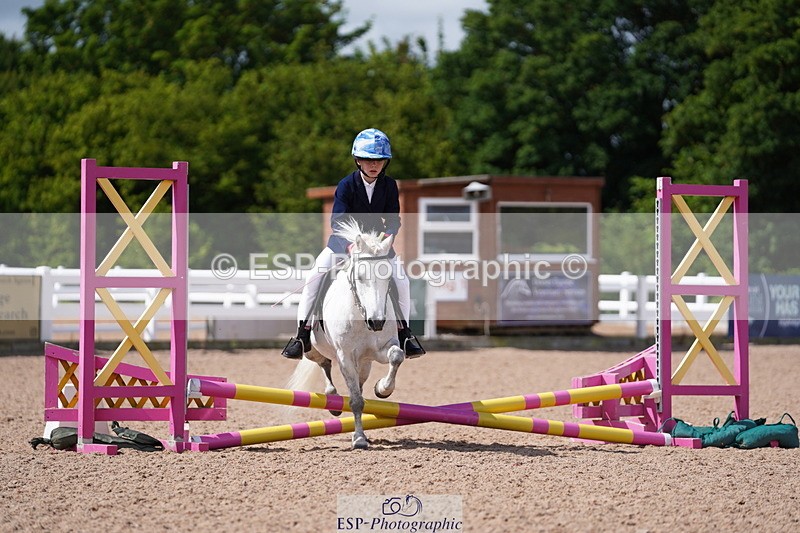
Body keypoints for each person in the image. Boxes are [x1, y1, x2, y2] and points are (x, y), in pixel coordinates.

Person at [281, 128, 426, 359]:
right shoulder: (346, 185)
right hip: (343, 245)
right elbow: (338, 222)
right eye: (368, 160)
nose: (373, 165)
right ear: (358, 160)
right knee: (313, 278)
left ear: (385, 162)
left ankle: (405, 334)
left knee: (402, 281)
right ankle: (301, 335)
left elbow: (392, 221)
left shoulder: (389, 186)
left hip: (377, 248)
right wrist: (352, 247)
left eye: (378, 160)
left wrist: (387, 241)